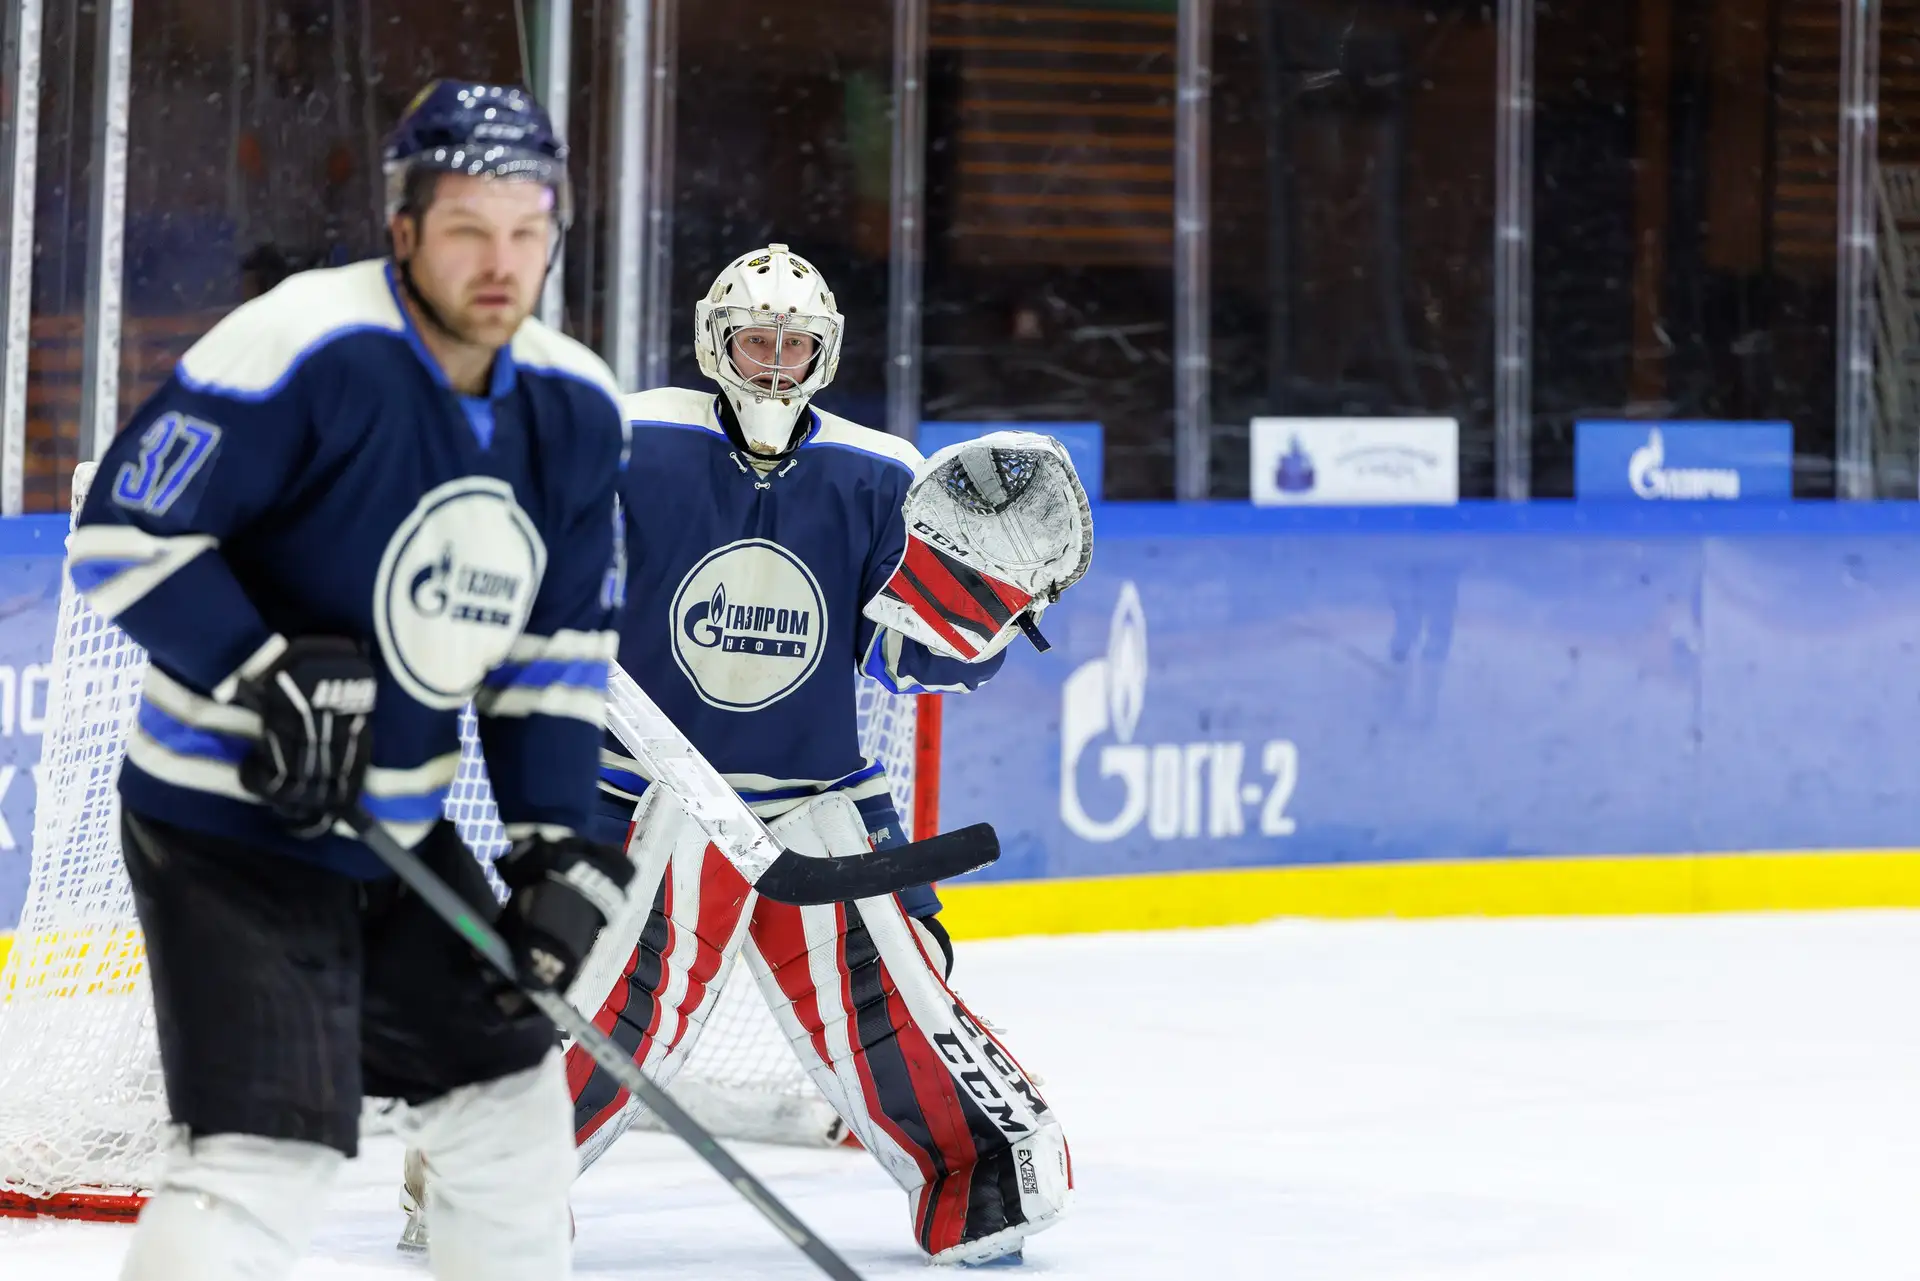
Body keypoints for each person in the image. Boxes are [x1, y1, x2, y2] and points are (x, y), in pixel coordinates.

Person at [400, 243, 1089, 1267]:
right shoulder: (629, 436)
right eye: (755, 341)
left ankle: (980, 1178)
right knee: (609, 1000)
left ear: (825, 354)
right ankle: (477, 1177)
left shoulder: (880, 472)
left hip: (816, 798)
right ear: (714, 344)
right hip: (645, 788)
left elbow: (905, 655)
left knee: (893, 993)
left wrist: (984, 613)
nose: (773, 363)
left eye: (793, 346)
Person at [65, 81, 634, 1281]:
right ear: (403, 226)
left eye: (527, 230)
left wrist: (554, 845)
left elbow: (549, 656)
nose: (502, 262)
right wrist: (264, 672)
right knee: (264, 1157)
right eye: (468, 229)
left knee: (510, 1121)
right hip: (226, 827)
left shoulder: (576, 408)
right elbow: (124, 535)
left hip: (398, 835)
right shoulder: (302, 343)